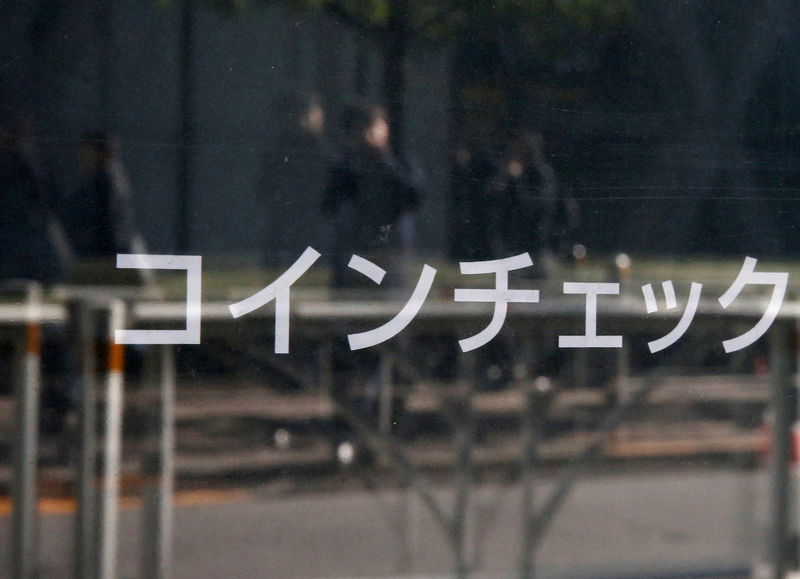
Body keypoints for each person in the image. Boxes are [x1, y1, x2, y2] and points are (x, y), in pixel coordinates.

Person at [322, 104, 422, 463]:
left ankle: (389, 433)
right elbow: (329, 205)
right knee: (350, 359)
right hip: (354, 271)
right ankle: (347, 434)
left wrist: (381, 160)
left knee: (397, 356)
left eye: (374, 127)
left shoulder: (399, 162)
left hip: (392, 271)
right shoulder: (344, 167)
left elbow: (412, 194)